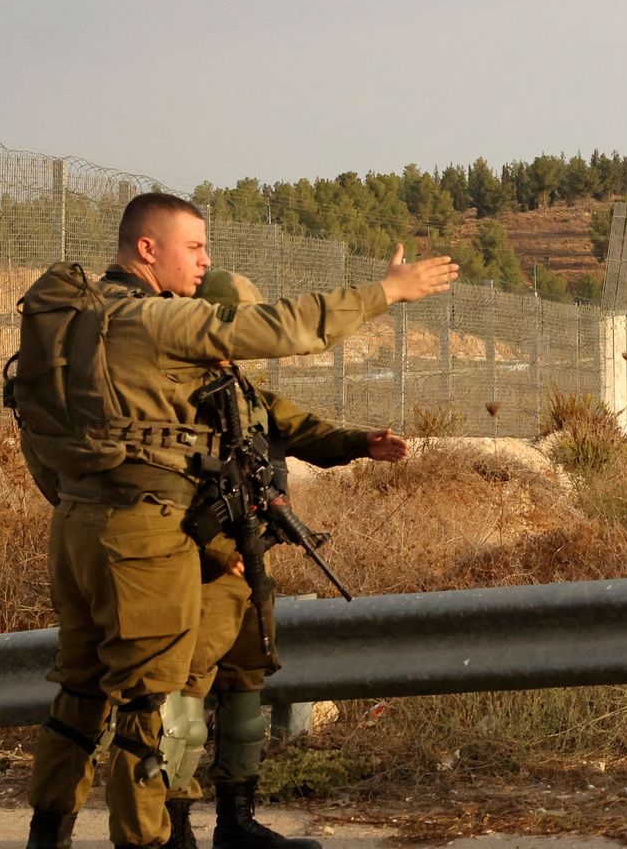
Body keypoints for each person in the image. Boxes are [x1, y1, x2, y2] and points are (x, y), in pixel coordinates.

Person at [15, 192, 456, 849]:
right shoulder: (150, 322)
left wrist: (89, 504)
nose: (202, 260)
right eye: (193, 247)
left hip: (83, 527)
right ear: (146, 248)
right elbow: (282, 327)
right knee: (154, 710)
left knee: (80, 696)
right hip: (148, 535)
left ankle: (46, 837)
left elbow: (43, 439)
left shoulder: (81, 325)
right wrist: (387, 291)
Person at [156, 269, 411, 849]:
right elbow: (159, 488)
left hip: (250, 563)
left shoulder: (245, 394)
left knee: (245, 690)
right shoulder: (172, 398)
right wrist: (218, 552)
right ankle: (171, 827)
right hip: (197, 569)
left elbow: (300, 429)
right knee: (185, 700)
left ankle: (235, 823)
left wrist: (361, 443)